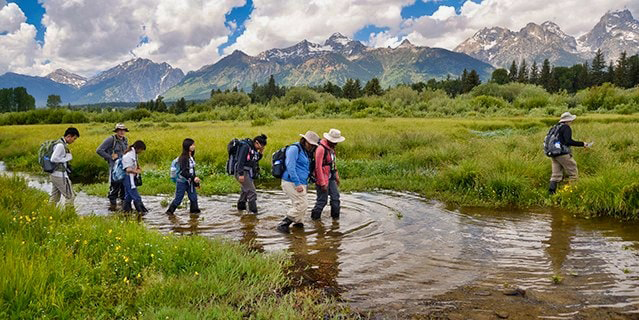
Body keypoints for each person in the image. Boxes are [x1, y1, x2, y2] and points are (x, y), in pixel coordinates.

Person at [277, 131, 320, 233]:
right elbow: (290, 167)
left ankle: (298, 226)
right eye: (310, 144)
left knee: (300, 205)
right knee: (302, 205)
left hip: (301, 182)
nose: (312, 146)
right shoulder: (294, 149)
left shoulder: (305, 151)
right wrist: (297, 184)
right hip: (291, 182)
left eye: (313, 145)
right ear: (305, 141)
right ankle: (284, 223)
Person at [548, 112, 593, 194]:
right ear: (568, 120)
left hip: (554, 154)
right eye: (571, 120)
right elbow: (568, 141)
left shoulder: (555, 127)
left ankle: (551, 195)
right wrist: (583, 144)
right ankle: (572, 193)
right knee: (573, 173)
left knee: (555, 176)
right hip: (563, 154)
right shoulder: (566, 128)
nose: (572, 122)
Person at [311, 129, 345, 220]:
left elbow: (333, 163)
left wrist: (336, 176)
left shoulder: (331, 149)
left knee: (335, 199)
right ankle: (315, 220)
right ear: (329, 140)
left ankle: (335, 220)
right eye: (334, 141)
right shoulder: (321, 149)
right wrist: (322, 183)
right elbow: (318, 167)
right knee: (322, 201)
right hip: (322, 178)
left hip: (331, 178)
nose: (336, 143)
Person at [96, 123, 129, 210]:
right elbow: (99, 150)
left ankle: (123, 208)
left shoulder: (125, 140)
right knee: (114, 187)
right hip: (115, 167)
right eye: (120, 130)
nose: (122, 132)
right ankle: (112, 208)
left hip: (124, 167)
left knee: (124, 187)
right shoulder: (111, 139)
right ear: (116, 131)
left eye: (123, 130)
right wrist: (110, 157)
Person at [166, 138, 201, 215]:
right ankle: (169, 213)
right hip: (182, 182)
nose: (194, 146)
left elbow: (192, 170)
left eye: (194, 144)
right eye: (192, 145)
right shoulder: (183, 158)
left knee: (194, 198)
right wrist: (193, 178)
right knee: (178, 199)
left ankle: (194, 216)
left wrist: (196, 182)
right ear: (187, 146)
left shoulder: (191, 157)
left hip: (190, 182)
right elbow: (183, 172)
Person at [235, 134, 267, 214]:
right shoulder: (246, 147)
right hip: (242, 172)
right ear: (256, 142)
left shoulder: (254, 149)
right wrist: (241, 174)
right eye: (261, 145)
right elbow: (240, 161)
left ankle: (241, 210)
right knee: (252, 192)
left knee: (245, 191)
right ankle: (253, 213)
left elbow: (254, 160)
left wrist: (261, 153)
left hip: (247, 172)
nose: (261, 147)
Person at [49, 127, 80, 207]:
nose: (74, 141)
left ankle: (48, 212)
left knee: (54, 197)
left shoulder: (59, 143)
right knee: (70, 196)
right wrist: (67, 158)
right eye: (74, 138)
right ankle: (69, 215)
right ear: (69, 136)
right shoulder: (60, 145)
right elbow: (53, 159)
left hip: (54, 175)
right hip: (60, 175)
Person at [121, 140, 148, 214]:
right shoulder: (128, 156)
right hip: (128, 178)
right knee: (136, 196)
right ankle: (142, 212)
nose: (141, 152)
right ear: (138, 148)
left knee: (128, 196)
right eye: (141, 150)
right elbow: (127, 169)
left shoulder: (132, 154)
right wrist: (136, 171)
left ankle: (126, 211)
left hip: (129, 178)